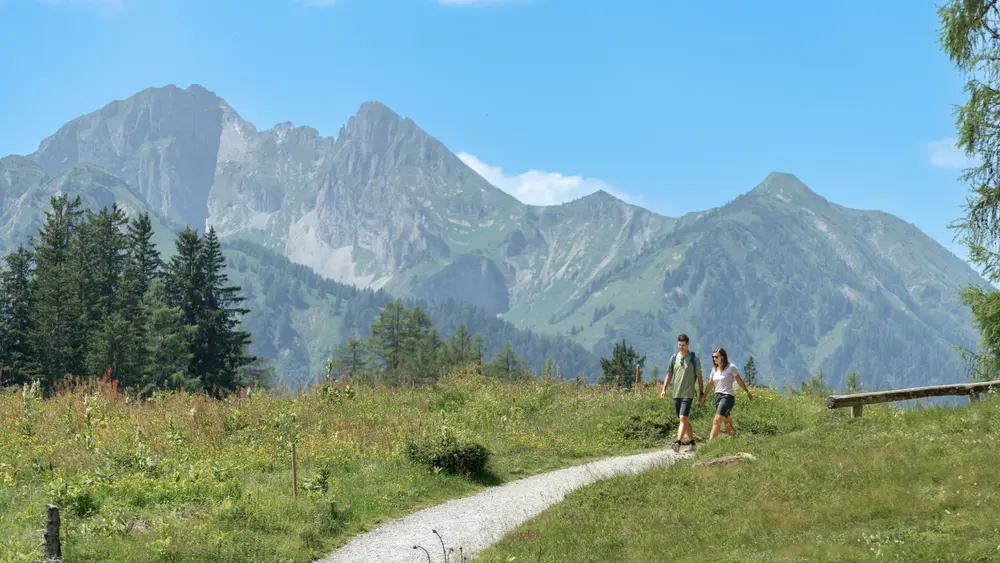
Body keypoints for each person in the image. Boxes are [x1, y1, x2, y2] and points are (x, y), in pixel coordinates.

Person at [659, 333, 704, 452]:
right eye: (679, 345)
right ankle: (693, 443)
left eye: (683, 345)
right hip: (676, 394)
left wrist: (701, 393)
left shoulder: (694, 358)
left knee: (683, 418)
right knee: (684, 420)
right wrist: (663, 389)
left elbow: (699, 376)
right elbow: (669, 375)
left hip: (688, 393)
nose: (681, 347)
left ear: (688, 344)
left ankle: (677, 443)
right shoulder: (673, 358)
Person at [700, 347, 753, 440]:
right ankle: (735, 440)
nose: (714, 359)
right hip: (717, 397)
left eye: (716, 357)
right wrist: (704, 396)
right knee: (727, 422)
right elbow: (710, 384)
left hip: (727, 397)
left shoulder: (731, 367)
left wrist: (747, 391)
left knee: (716, 421)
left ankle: (709, 445)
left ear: (723, 357)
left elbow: (739, 380)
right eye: (713, 357)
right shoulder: (714, 369)